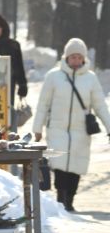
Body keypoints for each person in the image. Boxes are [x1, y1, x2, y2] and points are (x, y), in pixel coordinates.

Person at [32, 38, 110, 211]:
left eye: (78, 57)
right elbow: (43, 104)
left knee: (76, 166)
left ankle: (70, 199)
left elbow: (100, 105)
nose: (75, 60)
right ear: (66, 57)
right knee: (59, 165)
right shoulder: (54, 76)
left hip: (81, 131)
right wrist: (37, 129)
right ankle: (61, 197)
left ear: (84, 59)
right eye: (72, 57)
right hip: (57, 129)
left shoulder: (91, 79)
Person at [0, 13, 28, 105]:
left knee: (7, 113)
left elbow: (19, 67)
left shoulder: (13, 46)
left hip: (8, 86)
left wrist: (22, 85)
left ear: (3, 28)